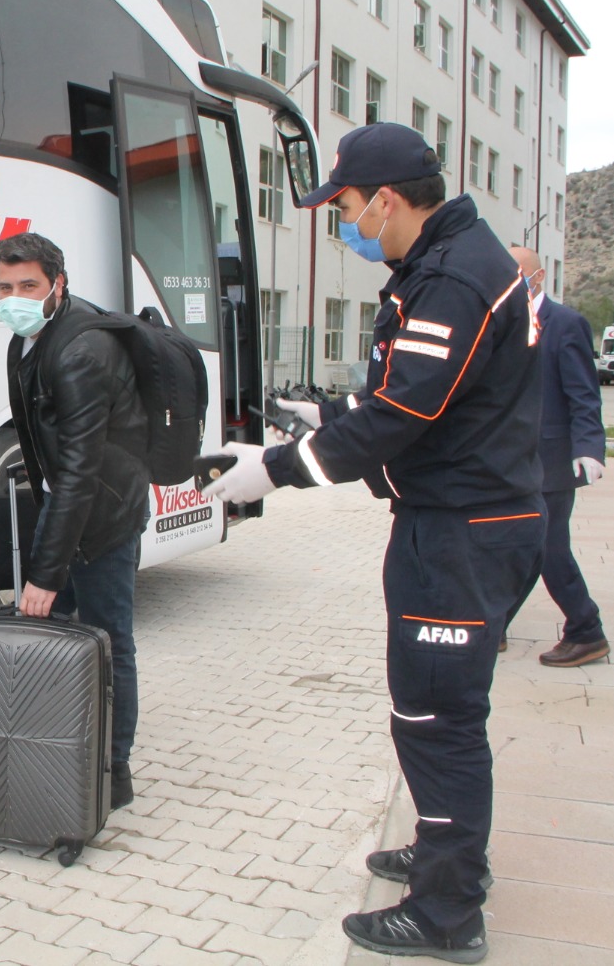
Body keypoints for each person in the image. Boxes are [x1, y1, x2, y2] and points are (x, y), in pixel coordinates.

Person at [206, 123, 542, 964]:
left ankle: (448, 911)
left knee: (438, 717)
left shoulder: (454, 279)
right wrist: (327, 421)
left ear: (387, 200)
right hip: (460, 523)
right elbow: (424, 396)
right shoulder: (444, 265)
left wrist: (277, 471)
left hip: (462, 531)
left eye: (346, 207)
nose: (345, 223)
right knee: (432, 710)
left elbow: (406, 414)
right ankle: (442, 851)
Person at [0, 231, 150, 810]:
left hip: (104, 513)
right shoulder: (30, 337)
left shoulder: (81, 352)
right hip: (70, 504)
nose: (15, 297)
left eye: (28, 285)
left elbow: (81, 473)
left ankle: (113, 774)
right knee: (54, 639)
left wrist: (46, 572)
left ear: (57, 284)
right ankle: (59, 752)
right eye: (5, 287)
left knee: (110, 642)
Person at [506, 246, 611, 668]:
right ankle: (494, 626)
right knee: (519, 547)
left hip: (552, 460)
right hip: (512, 457)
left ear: (539, 277)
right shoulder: (501, 321)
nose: (512, 283)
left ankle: (586, 630)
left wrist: (588, 446)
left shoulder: (566, 324)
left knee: (549, 548)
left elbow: (584, 393)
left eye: (519, 275)